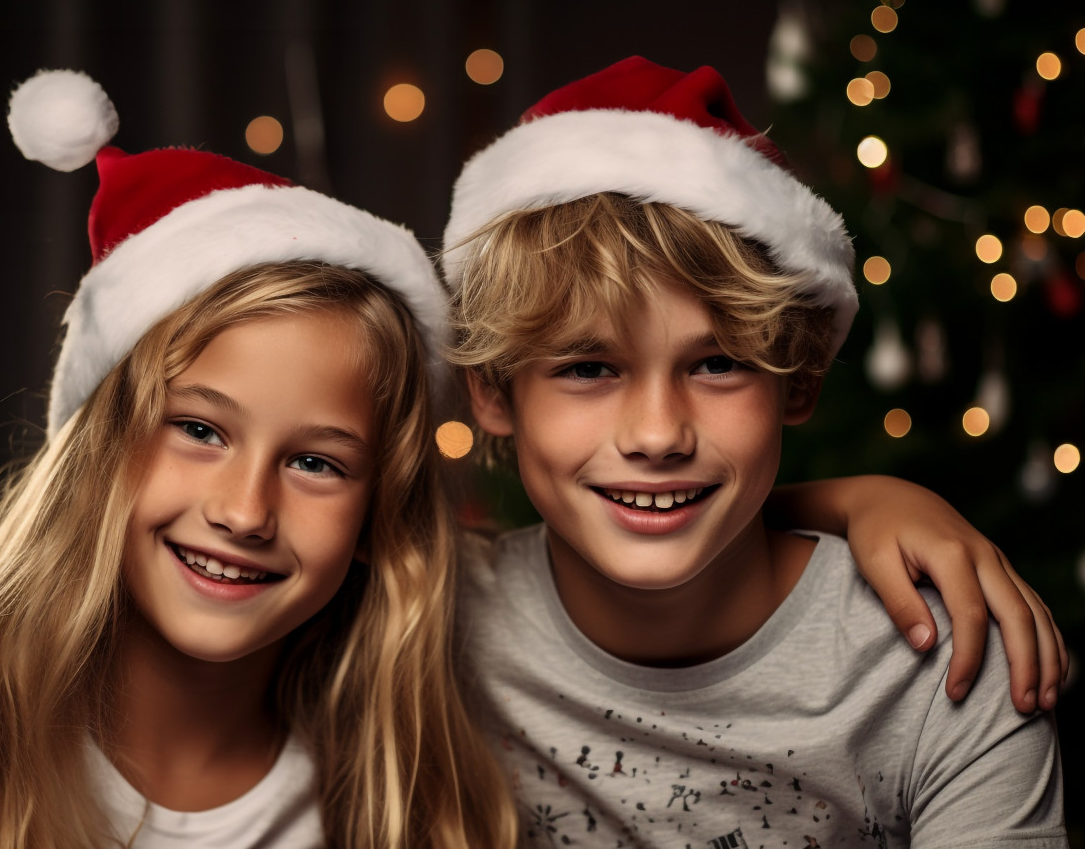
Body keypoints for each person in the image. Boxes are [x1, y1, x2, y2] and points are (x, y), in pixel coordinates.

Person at [0, 70, 518, 849]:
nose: (243, 511)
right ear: (100, 451)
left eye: (317, 464)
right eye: (199, 430)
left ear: (375, 516)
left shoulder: (398, 781)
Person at [443, 57, 1066, 846]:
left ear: (797, 381)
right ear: (493, 392)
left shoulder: (938, 665)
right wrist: (849, 496)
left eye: (718, 363)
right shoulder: (428, 626)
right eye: (589, 368)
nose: (658, 434)